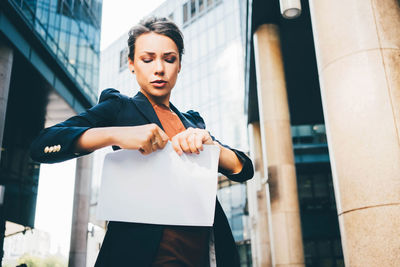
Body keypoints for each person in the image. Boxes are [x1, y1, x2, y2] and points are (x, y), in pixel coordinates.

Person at [30, 17, 254, 267]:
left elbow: (244, 169)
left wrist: (211, 146)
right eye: (147, 59)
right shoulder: (119, 107)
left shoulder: (193, 122)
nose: (159, 69)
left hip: (204, 255)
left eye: (169, 59)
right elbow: (42, 145)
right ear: (132, 64)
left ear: (179, 65)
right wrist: (115, 134)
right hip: (140, 256)